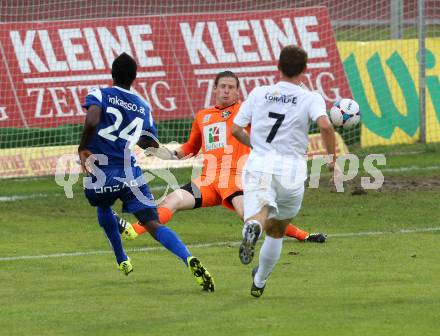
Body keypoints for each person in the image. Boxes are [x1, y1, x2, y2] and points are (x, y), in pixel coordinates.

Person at [115, 71, 326, 244]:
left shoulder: (246, 110)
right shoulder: (203, 116)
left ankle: (303, 235)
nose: (226, 90)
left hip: (236, 178)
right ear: (215, 89)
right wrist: (154, 149)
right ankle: (132, 230)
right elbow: (187, 149)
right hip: (207, 180)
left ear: (237, 91)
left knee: (251, 218)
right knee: (172, 200)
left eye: (231, 87)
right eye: (222, 86)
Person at [78, 52, 214, 292]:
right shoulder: (143, 107)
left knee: (102, 205)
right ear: (135, 77)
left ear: (112, 73)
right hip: (131, 171)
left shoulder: (100, 94)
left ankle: (121, 258)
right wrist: (168, 154)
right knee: (152, 223)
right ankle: (188, 258)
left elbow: (92, 119)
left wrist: (83, 147)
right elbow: (147, 143)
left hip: (103, 168)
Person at [231, 45, 337, 297]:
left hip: (259, 166)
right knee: (277, 231)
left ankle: (253, 226)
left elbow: (235, 129)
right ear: (305, 70)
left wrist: (254, 145)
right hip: (292, 172)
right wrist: (332, 158)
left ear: (277, 66)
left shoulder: (259, 93)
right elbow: (326, 127)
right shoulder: (310, 97)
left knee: (261, 213)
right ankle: (259, 281)